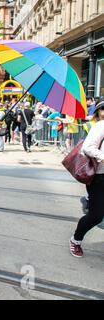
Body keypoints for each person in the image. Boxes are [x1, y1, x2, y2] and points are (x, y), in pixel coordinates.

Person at [69, 101, 104, 257]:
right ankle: (76, 240)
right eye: (103, 109)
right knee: (96, 216)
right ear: (98, 112)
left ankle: (89, 200)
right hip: (99, 176)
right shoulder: (100, 126)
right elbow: (87, 148)